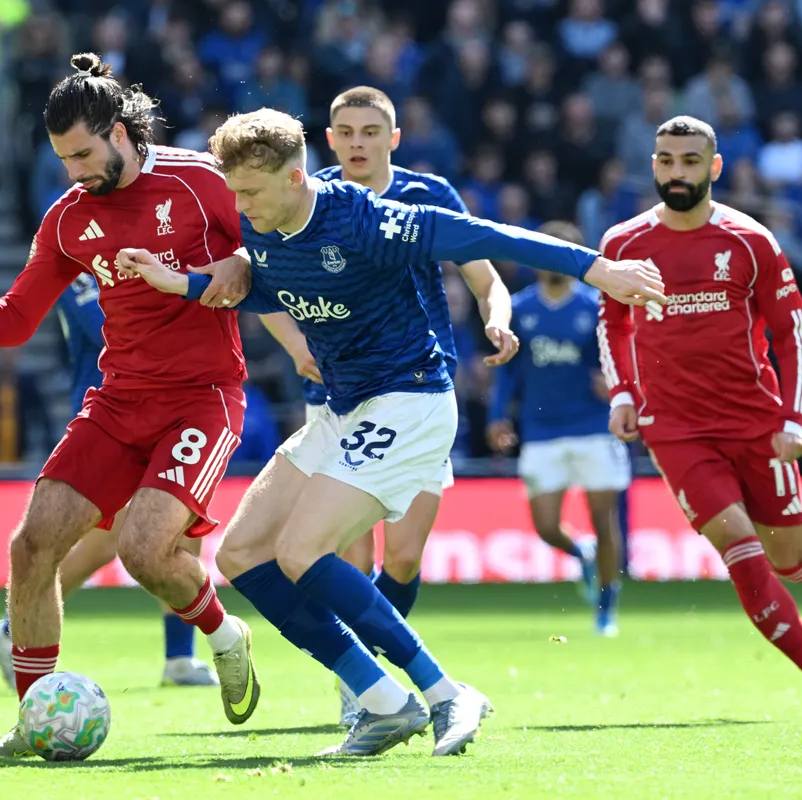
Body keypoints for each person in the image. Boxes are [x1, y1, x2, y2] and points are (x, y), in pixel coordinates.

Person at [118, 108, 665, 756]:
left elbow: (487, 237)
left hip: (409, 400)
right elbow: (268, 289)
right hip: (344, 406)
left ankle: (443, 693)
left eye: (251, 193)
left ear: (296, 178)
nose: (240, 207)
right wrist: (180, 281)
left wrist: (601, 270)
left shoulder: (367, 219)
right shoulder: (260, 222)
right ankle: (382, 704)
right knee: (241, 555)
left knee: (306, 550)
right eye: (235, 192)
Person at [0, 54, 261, 759]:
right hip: (117, 402)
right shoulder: (67, 219)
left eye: (84, 154)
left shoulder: (202, 181)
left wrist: (228, 271)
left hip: (200, 400)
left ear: (121, 133)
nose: (73, 171)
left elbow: (264, 255)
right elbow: (15, 319)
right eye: (62, 159)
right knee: (30, 548)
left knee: (144, 551)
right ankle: (34, 725)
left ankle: (224, 634)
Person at [258, 86, 520, 726]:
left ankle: (388, 687)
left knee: (403, 555)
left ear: (393, 138)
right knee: (346, 553)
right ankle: (371, 693)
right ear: (329, 137)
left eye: (370, 131)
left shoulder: (426, 195)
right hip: (336, 398)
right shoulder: (307, 196)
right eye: (345, 131)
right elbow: (257, 280)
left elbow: (484, 275)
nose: (357, 142)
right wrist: (297, 347)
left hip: (414, 394)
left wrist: (499, 319)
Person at [598, 115, 802, 722]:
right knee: (738, 545)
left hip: (755, 421)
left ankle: (777, 594)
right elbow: (612, 321)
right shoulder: (623, 245)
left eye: (690, 162)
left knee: (790, 560)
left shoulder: (750, 241)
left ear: (713, 168)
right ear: (654, 165)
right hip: (676, 427)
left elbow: (791, 332)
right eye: (666, 161)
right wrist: (623, 393)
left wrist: (793, 416)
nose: (677, 173)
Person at [0, 270, 218, 690]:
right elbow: (104, 325)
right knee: (113, 539)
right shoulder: (79, 254)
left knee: (182, 520)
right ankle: (10, 628)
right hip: (108, 409)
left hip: (164, 398)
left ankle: (180, 657)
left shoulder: (147, 235)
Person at [487, 220, 629, 637]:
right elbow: (507, 372)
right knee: (546, 526)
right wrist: (499, 415)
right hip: (541, 429)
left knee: (604, 519)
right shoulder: (521, 308)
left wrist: (614, 385)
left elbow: (618, 358)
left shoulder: (594, 306)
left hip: (593, 427)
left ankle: (606, 607)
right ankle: (579, 553)